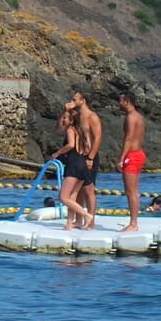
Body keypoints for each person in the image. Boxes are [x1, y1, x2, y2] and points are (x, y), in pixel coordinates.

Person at [50, 105, 92, 230]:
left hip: (74, 165)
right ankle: (70, 223)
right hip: (82, 164)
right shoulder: (81, 131)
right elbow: (88, 147)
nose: (63, 120)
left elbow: (70, 145)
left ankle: (86, 215)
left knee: (63, 197)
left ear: (72, 121)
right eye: (62, 118)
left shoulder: (70, 129)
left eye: (65, 118)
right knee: (72, 196)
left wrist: (57, 153)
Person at [117, 89, 147, 232]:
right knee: (134, 191)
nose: (119, 103)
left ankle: (133, 223)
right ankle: (134, 222)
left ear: (127, 101)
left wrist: (121, 159)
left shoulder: (130, 117)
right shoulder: (139, 117)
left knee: (131, 191)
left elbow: (128, 138)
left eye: (120, 100)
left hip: (132, 155)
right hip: (139, 153)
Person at [71, 92, 102, 228]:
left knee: (89, 189)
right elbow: (62, 125)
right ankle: (79, 220)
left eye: (74, 99)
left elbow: (98, 138)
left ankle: (91, 221)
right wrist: (66, 110)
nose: (72, 101)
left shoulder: (92, 117)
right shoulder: (77, 116)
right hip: (78, 155)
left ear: (82, 101)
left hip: (89, 156)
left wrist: (91, 157)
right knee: (77, 188)